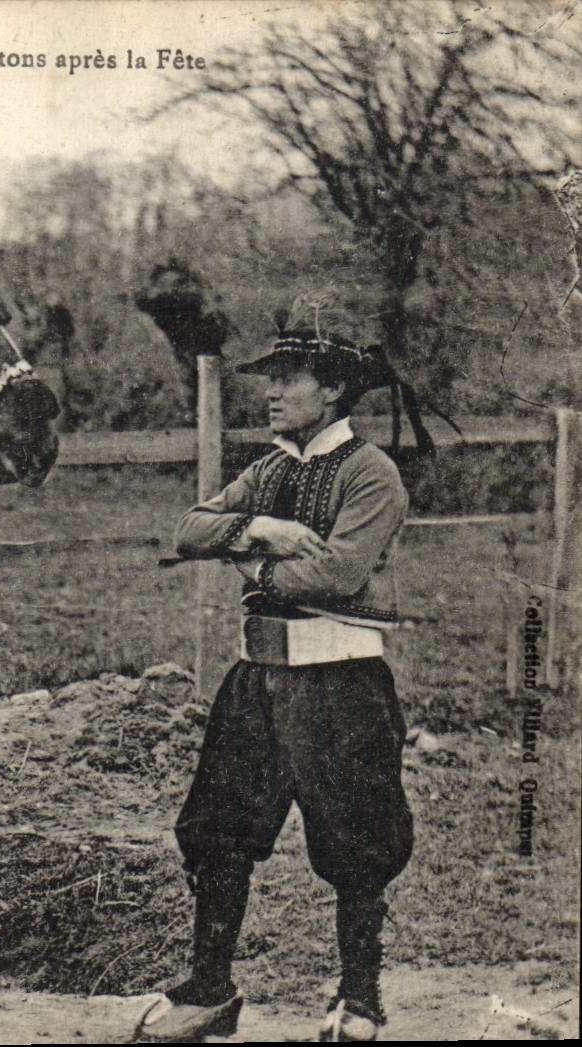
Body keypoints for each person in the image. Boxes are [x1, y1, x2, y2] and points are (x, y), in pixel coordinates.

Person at [134, 294, 422, 1043]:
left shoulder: (372, 475)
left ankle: (359, 1001)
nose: (268, 392)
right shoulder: (265, 473)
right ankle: (208, 989)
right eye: (269, 378)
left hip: (341, 684)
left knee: (356, 841)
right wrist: (257, 527)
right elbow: (187, 526)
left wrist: (240, 556)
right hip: (255, 681)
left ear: (331, 389)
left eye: (287, 378)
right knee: (218, 828)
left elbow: (334, 573)